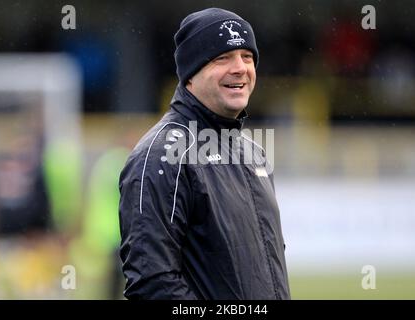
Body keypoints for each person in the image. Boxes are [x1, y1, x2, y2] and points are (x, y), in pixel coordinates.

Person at [119, 7, 291, 300]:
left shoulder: (254, 153)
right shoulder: (162, 155)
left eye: (247, 57)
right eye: (222, 58)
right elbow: (152, 283)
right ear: (190, 74)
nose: (240, 68)